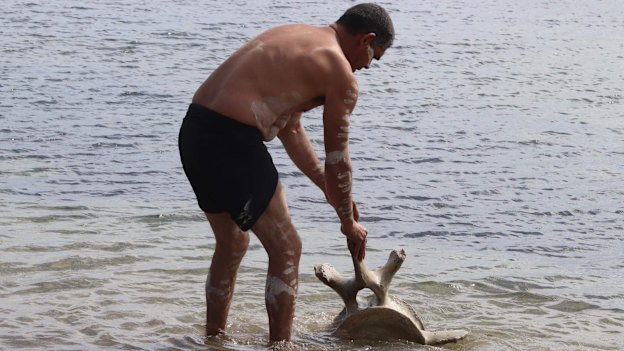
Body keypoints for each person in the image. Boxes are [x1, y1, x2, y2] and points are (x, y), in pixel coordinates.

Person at [178, 3, 394, 342]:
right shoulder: (340, 71)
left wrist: (328, 189)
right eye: (373, 57)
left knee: (233, 242)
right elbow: (338, 158)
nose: (367, 66)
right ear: (366, 39)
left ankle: (213, 339)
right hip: (231, 141)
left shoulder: (297, 36)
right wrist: (347, 222)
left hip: (195, 131)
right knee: (287, 249)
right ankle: (281, 347)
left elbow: (289, 127)